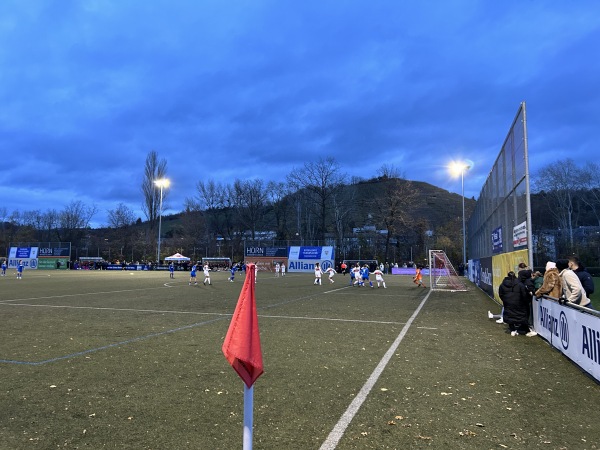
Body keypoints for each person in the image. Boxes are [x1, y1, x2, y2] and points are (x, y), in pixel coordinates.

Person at [499, 271, 535, 336]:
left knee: (510, 315)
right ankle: (524, 330)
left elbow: (501, 294)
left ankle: (512, 329)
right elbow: (524, 295)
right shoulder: (520, 284)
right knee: (521, 316)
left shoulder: (502, 285)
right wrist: (527, 300)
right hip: (519, 303)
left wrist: (505, 300)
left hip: (508, 303)